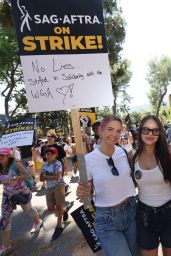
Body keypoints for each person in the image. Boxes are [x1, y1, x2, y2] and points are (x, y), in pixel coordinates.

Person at [77, 115, 138, 256]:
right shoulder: (85, 160)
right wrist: (83, 195)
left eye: (118, 131)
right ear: (100, 130)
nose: (114, 134)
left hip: (132, 211)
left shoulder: (123, 152)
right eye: (110, 129)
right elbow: (86, 198)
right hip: (107, 220)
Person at [133, 115, 171, 256]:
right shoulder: (132, 156)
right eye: (146, 130)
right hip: (144, 215)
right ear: (140, 131)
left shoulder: (168, 154)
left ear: (160, 133)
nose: (150, 134)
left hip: (168, 211)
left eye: (155, 131)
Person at [0, 148, 43, 256]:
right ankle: (6, 245)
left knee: (28, 210)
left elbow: (28, 175)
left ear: (8, 156)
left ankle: (38, 222)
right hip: (8, 195)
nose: (0, 157)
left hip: (21, 193)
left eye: (2, 155)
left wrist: (14, 177)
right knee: (5, 219)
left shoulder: (15, 164)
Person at [40, 147, 65, 241]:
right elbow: (41, 179)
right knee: (50, 208)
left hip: (58, 186)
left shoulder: (58, 163)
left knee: (59, 205)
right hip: (49, 188)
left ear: (55, 155)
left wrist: (46, 176)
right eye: (47, 154)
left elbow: (57, 177)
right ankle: (63, 211)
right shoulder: (44, 165)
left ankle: (59, 225)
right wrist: (46, 176)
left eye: (51, 153)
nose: (48, 155)